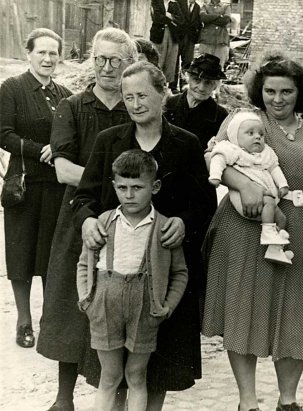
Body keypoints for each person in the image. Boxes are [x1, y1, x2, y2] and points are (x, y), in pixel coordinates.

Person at [72, 61, 216, 410]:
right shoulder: (110, 140)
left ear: (164, 93)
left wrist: (183, 222)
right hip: (115, 275)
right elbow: (85, 196)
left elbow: (205, 204)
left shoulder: (185, 144)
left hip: (162, 273)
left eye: (143, 95)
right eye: (128, 96)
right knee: (112, 369)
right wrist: (88, 222)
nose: (135, 104)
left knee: (158, 368)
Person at [201, 53, 303, 411]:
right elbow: (214, 157)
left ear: (300, 92)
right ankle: (247, 401)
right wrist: (242, 184)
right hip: (245, 227)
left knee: (294, 310)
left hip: (300, 230)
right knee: (244, 308)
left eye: (286, 91)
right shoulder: (244, 120)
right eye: (270, 90)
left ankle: (287, 401)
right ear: (259, 91)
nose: (277, 99)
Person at [37, 27, 137, 411]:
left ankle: (118, 395)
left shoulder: (135, 107)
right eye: (99, 59)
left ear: (129, 63)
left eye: (114, 60)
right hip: (79, 216)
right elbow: (62, 168)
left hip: (126, 221)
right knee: (70, 299)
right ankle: (64, 399)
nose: (106, 67)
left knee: (120, 301)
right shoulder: (73, 107)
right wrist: (117, 187)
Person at [76, 149, 188, 411]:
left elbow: (180, 272)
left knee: (136, 375)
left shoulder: (164, 226)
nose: (129, 195)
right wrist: (86, 298)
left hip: (144, 306)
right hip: (105, 301)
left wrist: (166, 306)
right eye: (122, 187)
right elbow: (84, 264)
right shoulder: (104, 221)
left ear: (155, 186)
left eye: (137, 187)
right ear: (114, 186)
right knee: (110, 376)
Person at [0, 28, 72, 350]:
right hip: (24, 182)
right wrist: (38, 149)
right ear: (28, 53)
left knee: (49, 253)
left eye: (53, 53)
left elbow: (72, 138)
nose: (47, 59)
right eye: (41, 52)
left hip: (56, 185)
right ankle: (24, 320)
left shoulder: (65, 95)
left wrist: (58, 150)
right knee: (21, 252)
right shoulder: (11, 88)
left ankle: (49, 321)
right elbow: (3, 134)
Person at [209, 110, 292, 262]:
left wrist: (282, 184)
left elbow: (275, 168)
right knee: (268, 203)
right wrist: (215, 176)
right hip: (245, 199)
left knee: (282, 219)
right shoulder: (232, 150)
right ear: (236, 137)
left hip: (269, 199)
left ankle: (275, 249)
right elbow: (217, 158)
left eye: (260, 134)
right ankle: (268, 232)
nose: (257, 137)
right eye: (250, 133)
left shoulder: (266, 153)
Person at [164, 53, 228, 149]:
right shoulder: (169, 104)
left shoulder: (220, 115)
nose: (201, 88)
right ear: (188, 79)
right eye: (197, 80)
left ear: (215, 86)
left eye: (208, 82)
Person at [149, 0, 181, 89]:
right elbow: (157, 18)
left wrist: (168, 15)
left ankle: (165, 86)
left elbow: (180, 20)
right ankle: (154, 84)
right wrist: (171, 18)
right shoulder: (156, 2)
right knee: (158, 59)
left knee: (170, 61)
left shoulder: (174, 3)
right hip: (158, 35)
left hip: (172, 35)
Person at [172, 0, 202, 90]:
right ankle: (173, 86)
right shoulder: (179, 3)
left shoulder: (197, 7)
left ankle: (184, 86)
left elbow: (198, 23)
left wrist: (196, 36)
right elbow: (175, 18)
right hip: (177, 37)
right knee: (175, 62)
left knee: (187, 63)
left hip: (190, 39)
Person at [199, 0, 232, 67]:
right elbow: (204, 18)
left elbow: (225, 20)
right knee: (205, 67)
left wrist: (210, 19)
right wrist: (219, 16)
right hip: (207, 40)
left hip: (221, 39)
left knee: (219, 67)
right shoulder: (205, 6)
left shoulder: (226, 7)